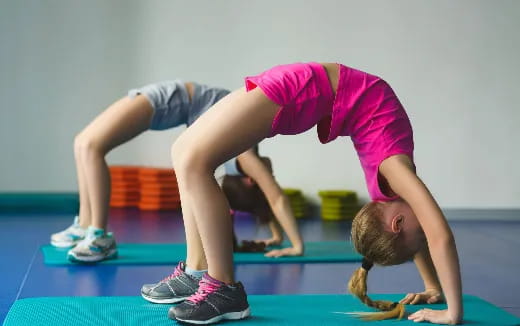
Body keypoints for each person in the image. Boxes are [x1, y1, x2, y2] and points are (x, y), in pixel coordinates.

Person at [163, 62, 462, 325]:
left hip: (308, 84)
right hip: (309, 88)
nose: (423, 224)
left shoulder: (390, 192)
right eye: (419, 232)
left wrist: (432, 286)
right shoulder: (396, 172)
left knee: (187, 156)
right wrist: (453, 313)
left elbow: (421, 232)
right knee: (191, 160)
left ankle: (201, 273)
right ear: (396, 223)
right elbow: (439, 236)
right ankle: (220, 285)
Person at [49, 80, 303, 263]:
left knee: (88, 145)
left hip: (174, 99)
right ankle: (87, 226)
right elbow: (269, 198)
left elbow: (273, 196)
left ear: (248, 182)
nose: (270, 171)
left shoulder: (244, 158)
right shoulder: (242, 148)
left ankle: (96, 233)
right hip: (177, 97)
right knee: (85, 144)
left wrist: (289, 242)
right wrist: (283, 238)